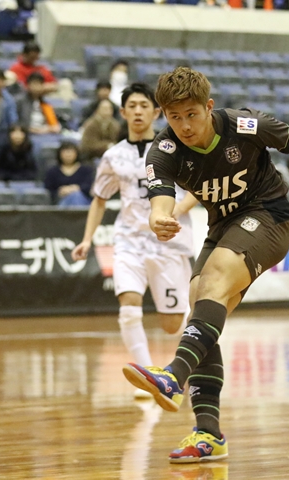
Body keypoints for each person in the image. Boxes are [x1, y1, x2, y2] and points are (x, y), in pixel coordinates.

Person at [121, 67, 289, 463]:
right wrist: (157, 219)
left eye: (191, 115)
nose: (183, 125)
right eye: (174, 117)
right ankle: (208, 433)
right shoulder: (162, 150)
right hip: (224, 226)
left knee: (210, 281)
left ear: (209, 108)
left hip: (269, 215)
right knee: (199, 303)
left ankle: (173, 375)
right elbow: (160, 198)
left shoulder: (244, 125)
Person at [72, 82, 195, 398]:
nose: (138, 111)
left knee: (171, 324)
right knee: (128, 305)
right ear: (123, 112)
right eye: (133, 106)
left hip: (169, 241)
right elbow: (99, 199)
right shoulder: (113, 156)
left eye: (145, 106)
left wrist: (177, 209)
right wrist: (86, 240)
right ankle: (148, 378)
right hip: (129, 240)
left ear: (156, 112)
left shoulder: (177, 147)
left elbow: (199, 185)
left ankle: (191, 362)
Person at [44, 141, 94, 206]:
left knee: (76, 195)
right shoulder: (53, 171)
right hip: (61, 201)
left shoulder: (86, 169)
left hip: (84, 201)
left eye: (71, 152)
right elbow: (49, 188)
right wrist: (60, 191)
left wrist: (76, 188)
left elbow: (90, 186)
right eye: (65, 152)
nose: (68, 155)